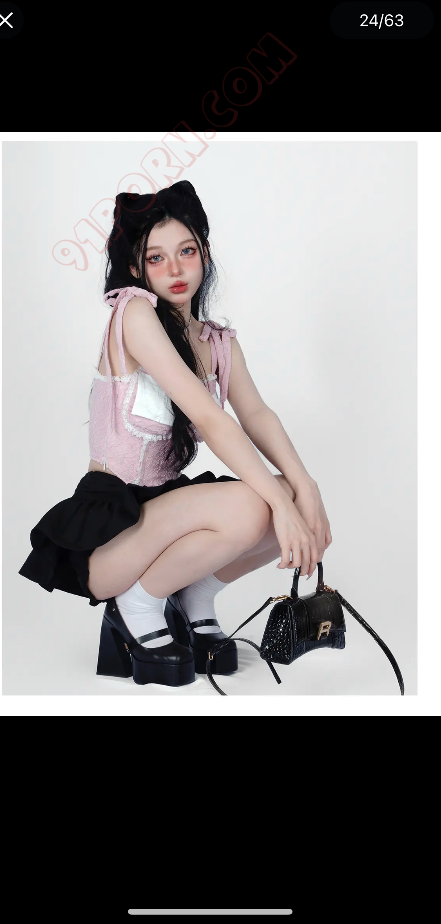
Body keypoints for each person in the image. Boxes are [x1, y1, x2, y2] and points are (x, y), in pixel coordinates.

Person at [19, 181, 332, 689]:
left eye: (186, 251)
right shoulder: (134, 313)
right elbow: (210, 418)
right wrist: (281, 503)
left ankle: (193, 597)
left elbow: (256, 413)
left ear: (204, 252)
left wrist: (306, 490)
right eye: (156, 258)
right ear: (136, 268)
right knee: (259, 505)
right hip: (112, 533)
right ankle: (137, 604)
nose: (175, 269)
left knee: (291, 498)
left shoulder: (216, 341)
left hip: (164, 514)